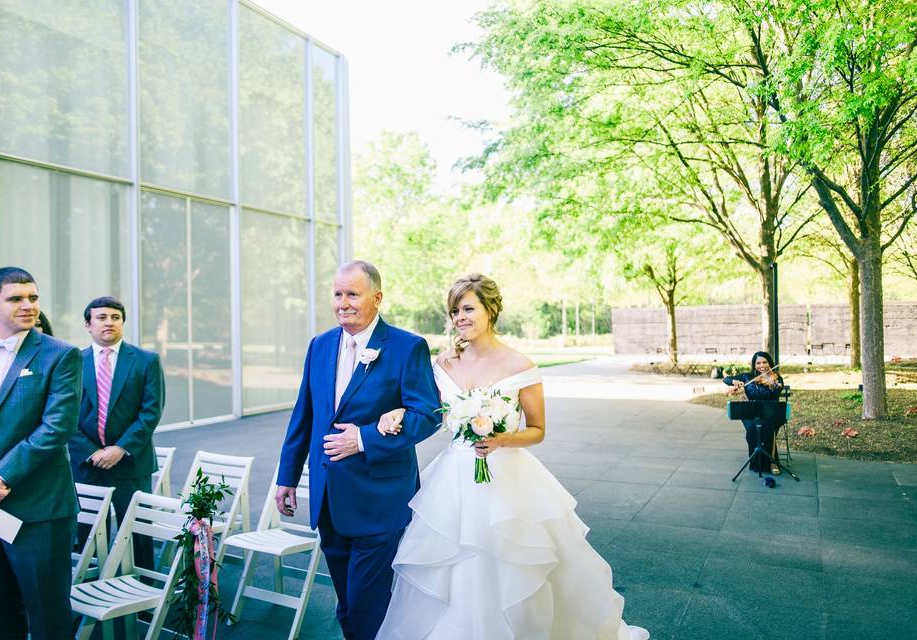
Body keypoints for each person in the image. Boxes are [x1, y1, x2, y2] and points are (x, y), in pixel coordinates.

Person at [374, 274, 649, 640]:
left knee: (512, 564)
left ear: (491, 310)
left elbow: (537, 430)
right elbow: (425, 410)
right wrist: (396, 414)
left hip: (509, 479)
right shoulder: (443, 364)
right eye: (455, 311)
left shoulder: (521, 367)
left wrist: (503, 439)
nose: (460, 317)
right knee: (455, 565)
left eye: (468, 308)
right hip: (454, 479)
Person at [275, 260, 440, 640]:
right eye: (337, 294)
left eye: (353, 294)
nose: (343, 302)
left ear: (377, 298)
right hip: (329, 499)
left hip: (379, 500)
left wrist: (364, 439)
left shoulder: (406, 347)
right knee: (347, 604)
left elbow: (428, 415)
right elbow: (305, 416)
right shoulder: (319, 346)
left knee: (367, 605)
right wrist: (287, 477)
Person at [0, 267, 83, 640]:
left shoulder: (61, 355)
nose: (28, 306)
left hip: (40, 512)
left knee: (48, 617)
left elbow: (56, 429)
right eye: (16, 299)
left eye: (33, 297)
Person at [69, 296, 165, 569]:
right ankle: (87, 592)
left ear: (123, 322)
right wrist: (91, 452)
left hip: (131, 463)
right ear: (88, 324)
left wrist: (120, 448)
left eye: (115, 317)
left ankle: (146, 598)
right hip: (87, 465)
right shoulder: (73, 360)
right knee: (85, 536)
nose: (109, 322)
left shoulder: (146, 361)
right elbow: (65, 415)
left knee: (138, 534)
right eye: (101, 317)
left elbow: (151, 412)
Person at [723, 350, 784, 474]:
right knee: (752, 429)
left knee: (768, 427)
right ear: (754, 365)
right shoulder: (747, 377)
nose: (762, 366)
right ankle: (756, 461)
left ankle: (772, 462)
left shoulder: (776, 378)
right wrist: (734, 382)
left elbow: (776, 392)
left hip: (771, 412)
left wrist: (773, 385)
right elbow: (726, 379)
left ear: (769, 363)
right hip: (750, 412)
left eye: (764, 362)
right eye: (758, 363)